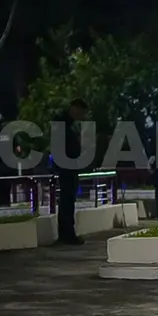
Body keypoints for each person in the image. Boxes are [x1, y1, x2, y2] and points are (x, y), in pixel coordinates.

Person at [52, 98, 89, 245]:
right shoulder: (63, 124)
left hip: (70, 166)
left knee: (69, 199)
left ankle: (68, 233)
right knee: (67, 200)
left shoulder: (69, 124)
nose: (82, 117)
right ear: (75, 109)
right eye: (81, 113)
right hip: (66, 166)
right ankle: (66, 234)